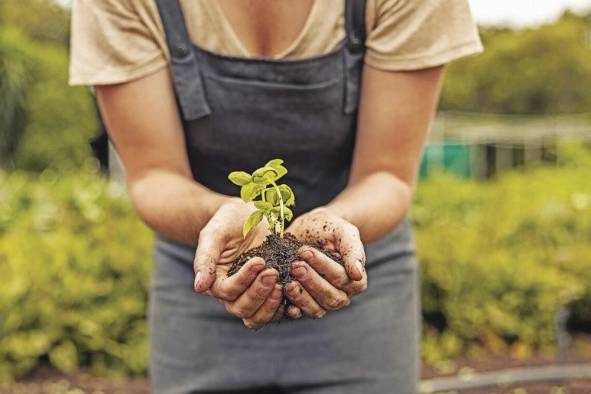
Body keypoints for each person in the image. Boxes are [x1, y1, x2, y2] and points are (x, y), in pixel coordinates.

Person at [70, 0, 482, 392]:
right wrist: (221, 215)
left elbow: (387, 173)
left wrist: (335, 226)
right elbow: (154, 175)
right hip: (206, 273)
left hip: (355, 268)